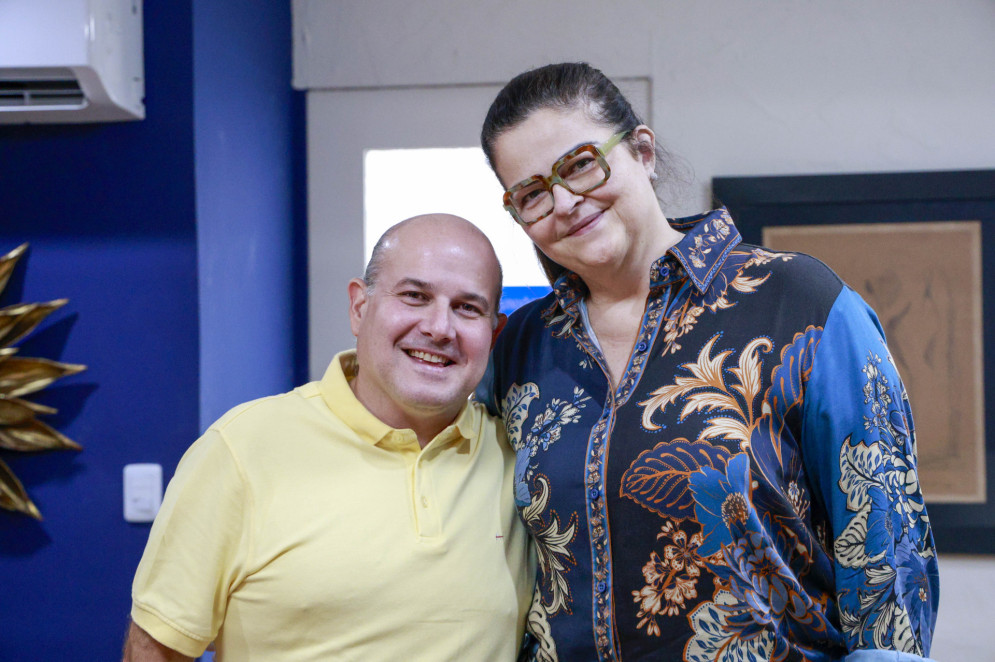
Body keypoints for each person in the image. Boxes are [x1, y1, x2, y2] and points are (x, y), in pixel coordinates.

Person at [477, 62, 939, 662]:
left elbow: (890, 565)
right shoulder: (522, 347)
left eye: (581, 163)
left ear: (641, 151)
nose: (564, 202)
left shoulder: (800, 302)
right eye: (533, 193)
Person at [122, 214, 533, 661]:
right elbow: (157, 650)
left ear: (494, 333)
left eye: (467, 308)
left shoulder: (522, 456)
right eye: (415, 296)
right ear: (359, 307)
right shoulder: (241, 449)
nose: (439, 328)